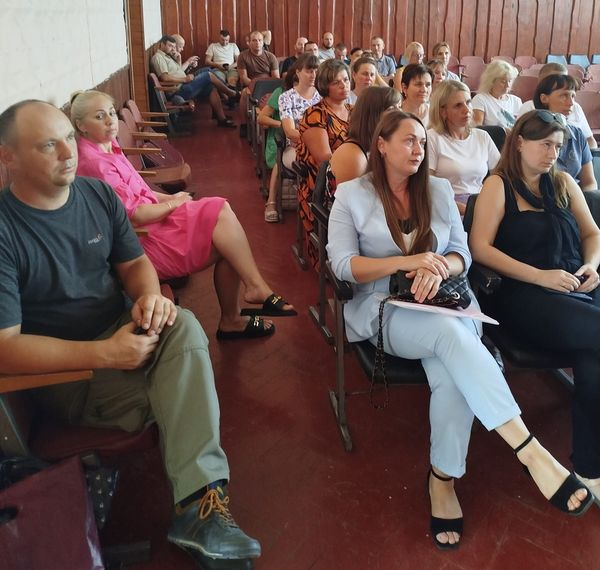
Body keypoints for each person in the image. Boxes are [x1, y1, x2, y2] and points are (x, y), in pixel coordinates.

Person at [0, 99, 265, 565]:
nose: (67, 152)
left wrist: (149, 297)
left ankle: (198, 507)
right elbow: (6, 350)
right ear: (9, 157)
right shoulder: (6, 230)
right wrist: (106, 354)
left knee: (181, 322)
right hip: (70, 374)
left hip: (123, 333)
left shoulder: (95, 196)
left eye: (68, 138)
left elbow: (135, 264)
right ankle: (199, 507)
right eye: (47, 145)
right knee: (188, 389)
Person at [326, 109, 593, 550]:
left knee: (452, 375)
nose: (418, 149)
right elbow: (342, 265)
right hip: (385, 308)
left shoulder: (436, 189)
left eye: (422, 141)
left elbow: (462, 254)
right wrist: (408, 262)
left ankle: (443, 478)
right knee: (454, 338)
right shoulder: (352, 194)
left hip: (446, 300)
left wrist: (438, 267)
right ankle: (528, 449)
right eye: (408, 140)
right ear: (382, 145)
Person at [71, 91, 296, 340]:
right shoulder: (95, 163)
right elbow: (136, 215)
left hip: (155, 224)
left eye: (111, 113)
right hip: (139, 242)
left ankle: (249, 296)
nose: (110, 120)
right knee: (228, 239)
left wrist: (171, 199)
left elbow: (143, 193)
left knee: (223, 220)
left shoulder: (109, 147)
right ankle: (241, 307)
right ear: (81, 125)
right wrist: (174, 204)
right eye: (99, 116)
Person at [469, 109, 600, 510]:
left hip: (575, 283)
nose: (552, 154)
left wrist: (592, 265)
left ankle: (589, 467)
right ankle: (590, 464)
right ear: (520, 143)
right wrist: (541, 276)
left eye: (557, 147)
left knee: (593, 354)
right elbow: (480, 249)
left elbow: (592, 232)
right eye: (545, 144)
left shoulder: (562, 182)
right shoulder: (498, 185)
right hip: (524, 293)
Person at [296, 59, 352, 266]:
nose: (344, 85)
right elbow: (324, 159)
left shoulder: (354, 111)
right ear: (324, 86)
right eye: (336, 82)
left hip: (352, 175)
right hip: (322, 184)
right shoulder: (315, 114)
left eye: (346, 80)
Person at [259, 54, 321, 222]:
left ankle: (322, 205)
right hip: (294, 148)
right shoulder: (286, 97)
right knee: (316, 162)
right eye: (309, 71)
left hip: (320, 146)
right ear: (298, 72)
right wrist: (315, 140)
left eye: (316, 71)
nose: (313, 75)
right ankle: (273, 202)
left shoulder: (321, 96)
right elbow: (290, 132)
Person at [428, 80, 500, 214]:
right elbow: (427, 187)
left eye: (468, 102)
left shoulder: (482, 136)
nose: (467, 110)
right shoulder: (432, 138)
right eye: (458, 105)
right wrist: (467, 210)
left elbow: (501, 176)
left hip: (481, 203)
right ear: (443, 111)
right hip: (447, 207)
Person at [151, 35, 236, 128]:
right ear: (162, 44)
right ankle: (230, 93)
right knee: (208, 75)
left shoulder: (167, 56)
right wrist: (184, 79)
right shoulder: (158, 57)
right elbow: (164, 78)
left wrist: (181, 62)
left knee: (211, 87)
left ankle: (221, 118)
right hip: (177, 91)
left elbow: (178, 71)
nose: (172, 49)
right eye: (170, 46)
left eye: (174, 46)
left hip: (183, 85)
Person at [533, 74, 597, 190]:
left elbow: (589, 182)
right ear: (544, 98)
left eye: (573, 96)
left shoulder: (577, 134)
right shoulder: (530, 133)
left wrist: (582, 198)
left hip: (576, 196)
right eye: (564, 96)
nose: (571, 103)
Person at [330, 85, 401, 185]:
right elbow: (351, 195)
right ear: (373, 115)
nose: (400, 113)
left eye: (399, 107)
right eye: (391, 109)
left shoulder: (381, 144)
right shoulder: (353, 155)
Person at [516, 62, 597, 149]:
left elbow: (590, 139)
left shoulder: (575, 108)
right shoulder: (528, 108)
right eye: (553, 79)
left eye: (564, 78)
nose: (571, 102)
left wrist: (587, 153)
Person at [237, 30, 280, 137]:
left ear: (263, 42)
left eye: (260, 40)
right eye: (254, 40)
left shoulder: (271, 56)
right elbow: (243, 77)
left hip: (269, 84)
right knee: (244, 93)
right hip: (252, 84)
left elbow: (276, 78)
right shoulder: (243, 56)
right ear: (249, 42)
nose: (257, 43)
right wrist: (255, 85)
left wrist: (266, 86)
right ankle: (244, 124)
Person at [472, 60, 521, 128]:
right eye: (503, 82)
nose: (508, 85)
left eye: (509, 81)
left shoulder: (516, 100)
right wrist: (502, 131)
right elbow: (477, 128)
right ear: (491, 81)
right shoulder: (480, 99)